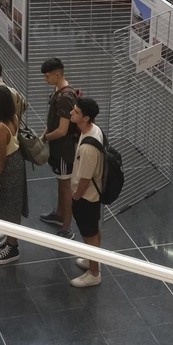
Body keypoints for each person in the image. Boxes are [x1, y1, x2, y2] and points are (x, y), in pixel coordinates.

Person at [37, 58, 80, 239]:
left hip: (64, 151)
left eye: (48, 76)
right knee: (61, 183)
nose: (46, 80)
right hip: (58, 148)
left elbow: (62, 130)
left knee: (66, 187)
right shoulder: (59, 92)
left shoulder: (64, 98)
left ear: (57, 74)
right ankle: (59, 214)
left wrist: (45, 137)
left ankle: (67, 227)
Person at [0, 84, 28, 266]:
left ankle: (12, 247)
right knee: (8, 204)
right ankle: (9, 239)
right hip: (13, 163)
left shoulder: (2, 127)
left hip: (8, 168)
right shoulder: (12, 117)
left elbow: (2, 157)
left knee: (10, 206)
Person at [70, 96, 105, 288]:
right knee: (93, 228)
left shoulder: (89, 148)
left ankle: (94, 272)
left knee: (89, 233)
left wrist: (75, 196)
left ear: (86, 118)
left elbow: (84, 178)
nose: (71, 113)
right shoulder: (93, 130)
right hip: (92, 194)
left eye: (75, 112)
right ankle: (94, 259)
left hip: (86, 195)